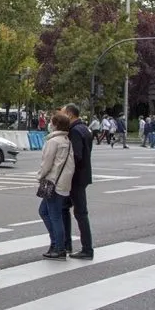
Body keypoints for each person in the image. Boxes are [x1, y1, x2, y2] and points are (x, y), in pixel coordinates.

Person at [37, 113, 75, 259]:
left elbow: (47, 163)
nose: (49, 124)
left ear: (55, 125)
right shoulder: (67, 140)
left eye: (51, 122)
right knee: (46, 212)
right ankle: (57, 243)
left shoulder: (53, 142)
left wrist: (40, 176)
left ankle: (59, 247)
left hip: (53, 182)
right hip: (63, 182)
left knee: (53, 215)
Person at [61, 103, 94, 259]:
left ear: (69, 114)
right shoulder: (85, 129)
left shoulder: (74, 131)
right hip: (83, 175)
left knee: (80, 213)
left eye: (63, 113)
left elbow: (77, 156)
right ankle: (66, 244)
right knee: (65, 207)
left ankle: (86, 248)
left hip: (76, 177)